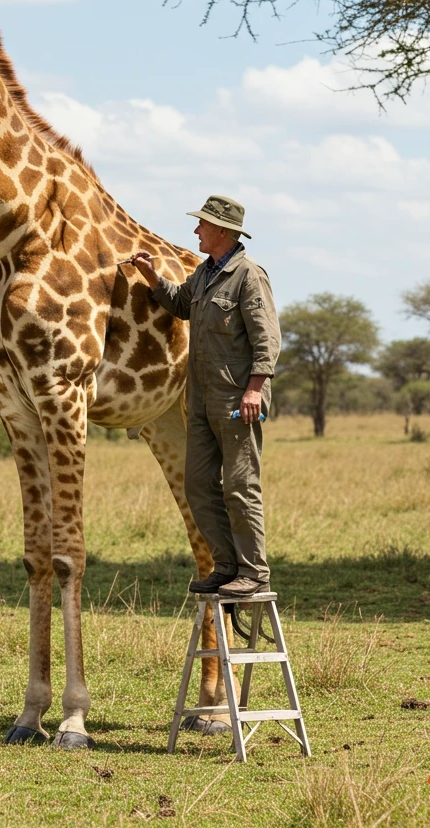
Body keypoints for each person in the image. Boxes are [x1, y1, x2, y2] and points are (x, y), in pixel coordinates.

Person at [131, 195, 280, 598]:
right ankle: (227, 566)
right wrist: (151, 276)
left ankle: (255, 572)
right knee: (197, 484)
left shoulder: (249, 276)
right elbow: (180, 304)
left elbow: (268, 339)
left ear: (224, 232)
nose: (196, 230)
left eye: (203, 225)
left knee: (239, 486)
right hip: (199, 401)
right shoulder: (204, 274)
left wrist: (254, 390)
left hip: (237, 401)